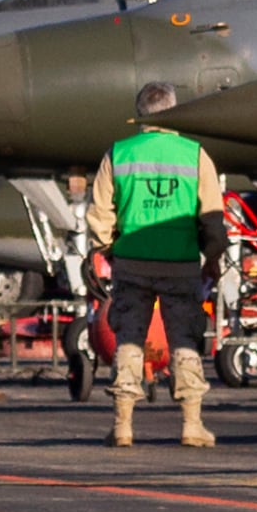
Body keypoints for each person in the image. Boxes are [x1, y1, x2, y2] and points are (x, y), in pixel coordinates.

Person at [76, 97, 204, 441]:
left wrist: (107, 246)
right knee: (184, 341)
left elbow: (100, 211)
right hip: (181, 263)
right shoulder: (193, 153)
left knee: (129, 341)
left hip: (131, 262)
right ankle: (192, 425)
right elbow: (212, 215)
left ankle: (123, 426)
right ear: (173, 110)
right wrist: (215, 254)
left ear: (139, 114)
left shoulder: (118, 153)